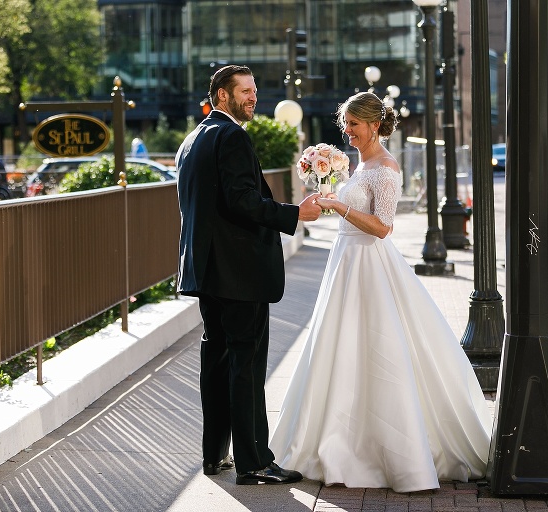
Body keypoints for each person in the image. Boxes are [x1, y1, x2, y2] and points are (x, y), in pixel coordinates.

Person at [269, 92, 492, 493]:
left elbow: (383, 226)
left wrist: (340, 207)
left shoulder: (386, 167)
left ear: (374, 124)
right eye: (345, 124)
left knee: (376, 347)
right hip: (345, 262)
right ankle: (330, 438)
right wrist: (329, 195)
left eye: (353, 124)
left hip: (369, 263)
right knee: (337, 348)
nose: (347, 131)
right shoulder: (360, 163)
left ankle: (388, 450)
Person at [176, 65, 322, 485]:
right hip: (239, 274)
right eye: (244, 92)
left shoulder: (192, 140)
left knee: (217, 362)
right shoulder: (232, 136)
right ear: (222, 96)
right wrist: (297, 213)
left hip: (208, 273)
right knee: (247, 365)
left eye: (254, 90)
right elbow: (242, 201)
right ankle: (255, 462)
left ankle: (213, 455)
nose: (252, 98)